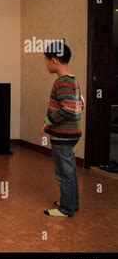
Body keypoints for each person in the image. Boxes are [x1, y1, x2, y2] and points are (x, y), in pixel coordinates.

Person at [41, 42, 83, 217]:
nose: (45, 64)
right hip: (73, 133)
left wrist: (48, 121)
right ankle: (71, 203)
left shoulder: (62, 82)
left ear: (54, 61)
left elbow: (67, 108)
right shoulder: (72, 80)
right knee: (70, 169)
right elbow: (80, 104)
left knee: (63, 172)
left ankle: (66, 209)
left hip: (63, 135)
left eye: (46, 60)